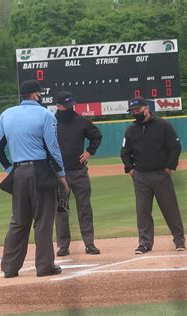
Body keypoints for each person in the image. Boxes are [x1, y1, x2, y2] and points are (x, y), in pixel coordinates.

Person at [0, 80, 69, 278]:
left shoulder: (6, 114)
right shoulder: (45, 114)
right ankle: (44, 267)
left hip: (18, 173)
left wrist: (10, 170)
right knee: (42, 221)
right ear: (36, 95)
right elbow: (53, 148)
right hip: (40, 171)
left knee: (18, 221)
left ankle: (9, 268)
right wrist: (61, 175)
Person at [120, 97, 186, 254]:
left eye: (138, 110)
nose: (136, 113)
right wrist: (130, 170)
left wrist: (169, 168)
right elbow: (124, 152)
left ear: (146, 108)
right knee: (142, 211)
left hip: (160, 174)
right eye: (133, 111)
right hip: (140, 176)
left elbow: (175, 147)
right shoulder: (131, 130)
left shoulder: (163, 125)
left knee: (170, 208)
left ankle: (179, 240)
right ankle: (145, 243)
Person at [54, 91, 103, 256]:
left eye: (71, 105)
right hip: (59, 174)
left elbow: (96, 136)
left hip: (79, 172)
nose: (70, 108)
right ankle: (63, 246)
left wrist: (89, 152)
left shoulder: (81, 121)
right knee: (61, 210)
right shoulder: (51, 123)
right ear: (58, 106)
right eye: (66, 106)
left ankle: (89, 243)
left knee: (84, 209)